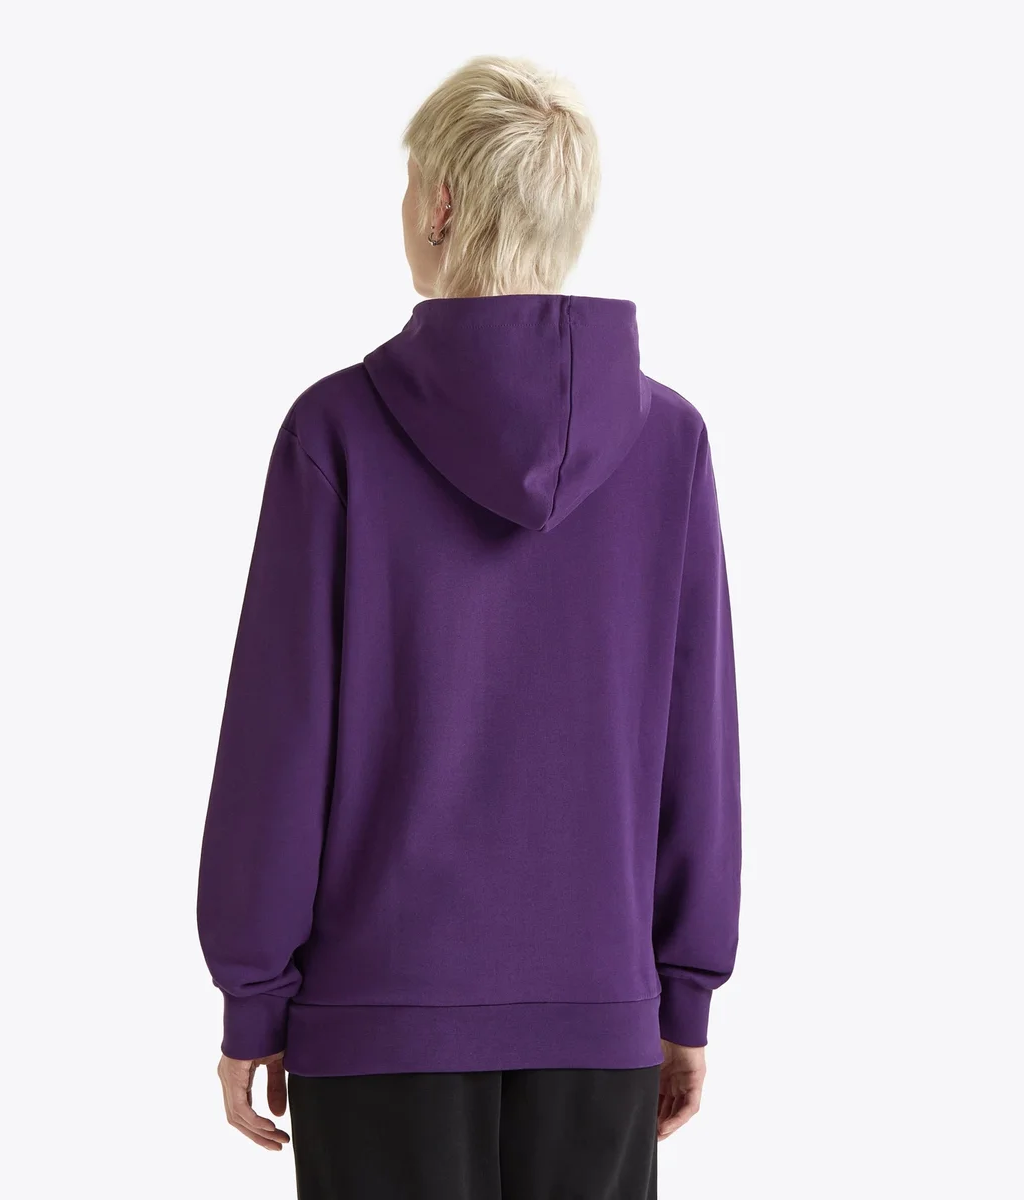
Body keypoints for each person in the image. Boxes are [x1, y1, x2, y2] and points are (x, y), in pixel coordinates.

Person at [197, 54, 742, 1200]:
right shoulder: (669, 446)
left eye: (409, 185)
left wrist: (254, 997)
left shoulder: (335, 435)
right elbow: (696, 745)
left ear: (441, 203)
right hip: (598, 1022)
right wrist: (680, 991)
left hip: (376, 1025)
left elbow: (278, 746)